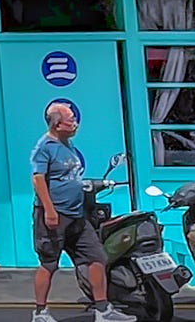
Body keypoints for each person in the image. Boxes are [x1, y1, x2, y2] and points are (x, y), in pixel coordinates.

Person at [29, 103, 132, 322]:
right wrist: (49, 210)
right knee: (49, 263)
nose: (76, 123)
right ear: (57, 124)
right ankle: (40, 312)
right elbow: (38, 180)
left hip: (77, 216)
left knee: (97, 258)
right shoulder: (44, 147)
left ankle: (103, 310)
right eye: (71, 119)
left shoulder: (68, 145)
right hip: (54, 215)